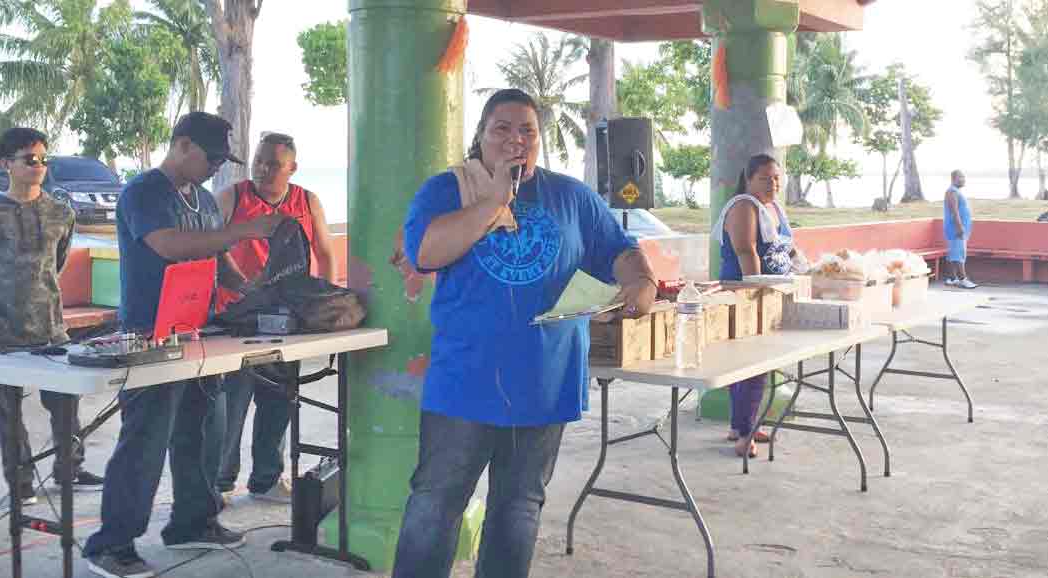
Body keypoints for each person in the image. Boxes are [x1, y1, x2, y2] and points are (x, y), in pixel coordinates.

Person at [391, 88, 657, 578]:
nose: (516, 139)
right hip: (465, 385)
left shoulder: (572, 197)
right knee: (435, 506)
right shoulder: (448, 190)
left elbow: (619, 250)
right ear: (480, 136)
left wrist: (641, 281)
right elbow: (425, 252)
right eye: (502, 129)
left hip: (543, 385)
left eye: (527, 131)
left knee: (518, 510)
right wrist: (494, 201)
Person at [82, 112, 286, 578]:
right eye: (211, 157)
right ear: (182, 145)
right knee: (146, 439)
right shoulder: (144, 193)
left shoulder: (205, 200)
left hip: (199, 332)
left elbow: (217, 257)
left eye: (222, 160)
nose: (216, 166)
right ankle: (111, 544)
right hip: (150, 336)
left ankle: (193, 521)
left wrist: (249, 289)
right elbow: (170, 246)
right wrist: (245, 230)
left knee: (204, 430)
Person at [0, 128, 105, 505]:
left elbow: (55, 265)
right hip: (0, 331)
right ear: (5, 164)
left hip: (51, 328)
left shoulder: (61, 213)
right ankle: (21, 483)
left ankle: (70, 469)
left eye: (44, 159)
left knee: (66, 404)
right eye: (30, 159)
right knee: (7, 413)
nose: (39, 166)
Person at [213, 132, 336, 503]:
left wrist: (321, 307)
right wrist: (240, 284)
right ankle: (219, 484)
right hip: (236, 321)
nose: (264, 170)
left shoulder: (307, 201)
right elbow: (211, 246)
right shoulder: (232, 197)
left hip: (287, 322)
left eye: (274, 164)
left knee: (279, 402)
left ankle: (266, 480)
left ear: (292, 168)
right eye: (259, 161)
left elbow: (325, 254)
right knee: (231, 406)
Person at [712, 154, 799, 458]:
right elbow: (746, 251)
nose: (772, 184)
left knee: (747, 365)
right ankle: (744, 434)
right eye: (764, 178)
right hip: (745, 295)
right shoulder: (743, 206)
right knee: (753, 365)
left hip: (769, 292)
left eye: (776, 178)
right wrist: (758, 295)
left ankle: (740, 426)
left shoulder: (773, 208)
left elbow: (787, 250)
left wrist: (806, 269)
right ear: (748, 180)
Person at [944, 170, 977, 289]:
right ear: (953, 178)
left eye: (964, 177)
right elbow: (954, 211)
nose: (963, 179)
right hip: (955, 229)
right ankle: (963, 279)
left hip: (958, 228)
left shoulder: (956, 191)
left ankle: (952, 279)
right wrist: (959, 227)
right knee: (959, 254)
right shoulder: (952, 192)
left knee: (954, 253)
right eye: (960, 177)